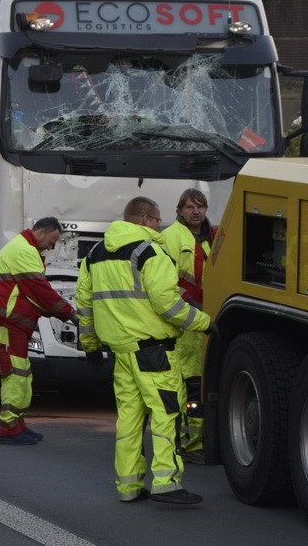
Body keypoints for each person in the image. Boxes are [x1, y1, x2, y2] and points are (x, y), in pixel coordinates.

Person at [76, 197, 210, 505]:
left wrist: (91, 347)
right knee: (166, 413)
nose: (160, 225)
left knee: (129, 419)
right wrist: (205, 322)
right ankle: (166, 482)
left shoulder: (95, 254)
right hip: (154, 351)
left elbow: (84, 304)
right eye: (158, 220)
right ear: (146, 218)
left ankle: (129, 486)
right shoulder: (150, 251)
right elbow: (169, 305)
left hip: (120, 352)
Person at [0, 217, 74, 446]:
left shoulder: (23, 248)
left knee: (20, 372)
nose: (51, 247)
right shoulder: (24, 250)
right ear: (41, 232)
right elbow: (39, 291)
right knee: (15, 374)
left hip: (11, 320)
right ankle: (8, 429)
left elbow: (33, 292)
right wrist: (68, 313)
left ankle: (16, 425)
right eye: (52, 241)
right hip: (9, 321)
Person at [160, 188, 214, 463]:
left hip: (204, 321)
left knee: (198, 388)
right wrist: (191, 303)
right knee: (188, 389)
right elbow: (166, 282)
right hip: (183, 322)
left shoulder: (212, 238)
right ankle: (190, 446)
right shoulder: (170, 237)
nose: (196, 212)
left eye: (200, 207)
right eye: (191, 207)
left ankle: (193, 442)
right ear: (180, 210)